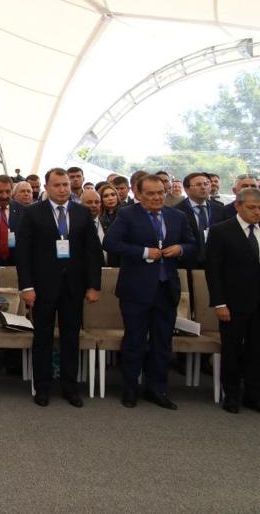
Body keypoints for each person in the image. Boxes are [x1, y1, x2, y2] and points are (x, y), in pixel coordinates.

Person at [103, 174, 196, 409]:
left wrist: (180, 249)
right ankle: (130, 389)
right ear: (138, 194)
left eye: (160, 192)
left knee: (162, 342)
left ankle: (157, 389)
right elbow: (110, 243)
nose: (157, 197)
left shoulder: (177, 216)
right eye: (151, 193)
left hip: (166, 289)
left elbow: (192, 245)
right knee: (134, 340)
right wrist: (144, 252)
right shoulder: (127, 215)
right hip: (136, 289)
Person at [15, 168, 102, 407]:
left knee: (70, 337)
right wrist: (26, 286)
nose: (63, 189)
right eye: (57, 185)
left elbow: (93, 251)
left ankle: (70, 387)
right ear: (46, 187)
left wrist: (94, 285)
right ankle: (42, 387)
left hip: (74, 286)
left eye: (66, 185)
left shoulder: (82, 213)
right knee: (42, 337)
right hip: (42, 287)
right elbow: (23, 253)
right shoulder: (32, 213)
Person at [205, 187, 260, 413]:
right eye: (252, 208)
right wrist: (219, 302)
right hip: (232, 302)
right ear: (238, 205)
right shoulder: (221, 231)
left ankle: (253, 394)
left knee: (256, 350)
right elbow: (213, 270)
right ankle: (232, 394)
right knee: (232, 350)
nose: (257, 212)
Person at [177, 172, 224, 268]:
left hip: (217, 262)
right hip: (189, 263)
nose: (203, 187)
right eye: (198, 185)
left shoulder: (219, 208)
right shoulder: (177, 211)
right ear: (187, 189)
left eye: (206, 184)